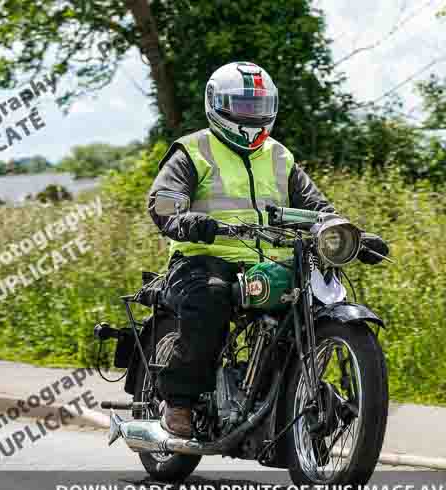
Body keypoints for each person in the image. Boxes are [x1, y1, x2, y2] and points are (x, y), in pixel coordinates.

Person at [148, 61, 388, 437]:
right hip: (204, 258)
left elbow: (318, 209)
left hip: (272, 262)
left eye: (259, 106)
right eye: (242, 106)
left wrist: (351, 234)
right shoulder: (193, 150)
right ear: (217, 104)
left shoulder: (279, 156)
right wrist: (185, 219)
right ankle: (178, 402)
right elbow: (163, 200)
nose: (252, 114)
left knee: (310, 308)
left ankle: (285, 396)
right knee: (209, 301)